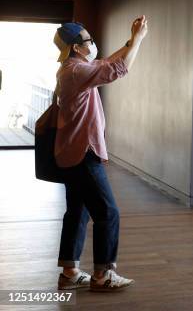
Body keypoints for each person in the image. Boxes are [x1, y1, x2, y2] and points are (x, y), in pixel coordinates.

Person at [53, 16, 148, 291]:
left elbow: (106, 62)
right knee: (108, 212)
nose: (92, 43)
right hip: (83, 153)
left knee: (78, 212)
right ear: (76, 47)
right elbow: (117, 69)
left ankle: (70, 272)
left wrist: (131, 40)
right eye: (88, 40)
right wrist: (139, 40)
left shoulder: (74, 67)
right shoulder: (76, 72)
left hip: (71, 152)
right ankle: (102, 275)